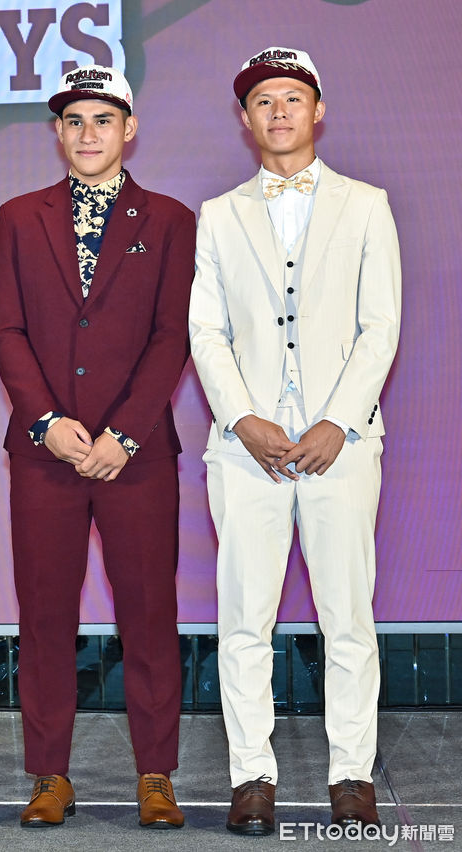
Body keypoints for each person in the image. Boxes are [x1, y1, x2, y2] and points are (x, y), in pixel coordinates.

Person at [189, 46, 400, 834]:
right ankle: (251, 776)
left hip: (341, 446)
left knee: (347, 617)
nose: (278, 112)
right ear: (245, 119)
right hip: (246, 451)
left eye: (292, 98)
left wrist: (336, 422)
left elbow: (380, 326)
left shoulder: (366, 205)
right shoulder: (219, 214)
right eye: (263, 101)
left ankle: (351, 775)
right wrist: (243, 419)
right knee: (245, 618)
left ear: (318, 111)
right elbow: (206, 331)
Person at [0, 66, 194, 830]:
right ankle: (50, 775)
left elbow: (172, 335)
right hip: (46, 455)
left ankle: (156, 775)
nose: (87, 134)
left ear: (129, 129)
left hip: (136, 458)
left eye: (103, 120)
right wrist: (46, 421)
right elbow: (7, 329)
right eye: (73, 121)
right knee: (45, 619)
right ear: (57, 132)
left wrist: (125, 433)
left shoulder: (169, 219)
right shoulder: (19, 216)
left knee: (149, 615)